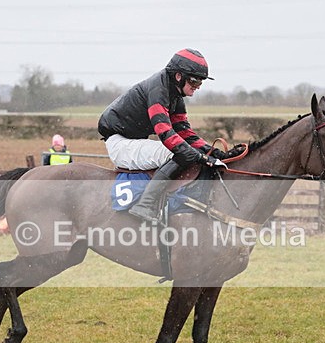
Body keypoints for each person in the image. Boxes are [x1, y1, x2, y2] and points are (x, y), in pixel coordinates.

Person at [98, 48, 243, 223]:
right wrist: (201, 157)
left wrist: (214, 152)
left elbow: (185, 132)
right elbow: (165, 133)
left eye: (201, 82)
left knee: (186, 151)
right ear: (178, 76)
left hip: (132, 141)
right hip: (120, 144)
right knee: (178, 153)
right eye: (194, 81)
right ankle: (145, 204)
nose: (197, 87)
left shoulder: (175, 95)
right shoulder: (158, 90)